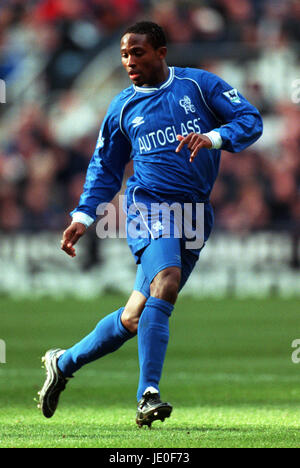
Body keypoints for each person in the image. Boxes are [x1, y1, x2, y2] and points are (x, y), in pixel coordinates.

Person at [38, 21, 263, 428]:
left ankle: (63, 362)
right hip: (148, 207)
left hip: (195, 213)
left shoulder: (198, 86)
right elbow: (104, 167)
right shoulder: (122, 107)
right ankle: (148, 394)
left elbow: (251, 120)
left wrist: (213, 138)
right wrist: (83, 215)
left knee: (134, 316)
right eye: (124, 55)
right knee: (168, 278)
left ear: (161, 51)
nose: (129, 62)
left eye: (137, 52)